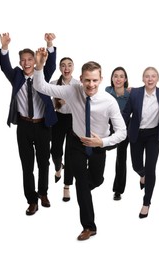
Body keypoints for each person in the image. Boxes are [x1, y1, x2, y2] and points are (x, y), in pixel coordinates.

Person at [33, 47, 127, 241]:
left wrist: (102, 141)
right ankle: (89, 226)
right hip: (76, 143)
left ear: (100, 80)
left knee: (97, 180)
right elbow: (41, 86)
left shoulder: (109, 102)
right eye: (86, 80)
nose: (90, 84)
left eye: (94, 80)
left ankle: (85, 189)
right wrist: (40, 65)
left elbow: (122, 132)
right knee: (81, 185)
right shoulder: (72, 90)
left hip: (98, 145)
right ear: (81, 79)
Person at [0, 33, 57, 216]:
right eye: (23, 60)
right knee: (27, 165)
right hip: (23, 126)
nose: (27, 63)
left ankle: (43, 193)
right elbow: (4, 65)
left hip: (43, 126)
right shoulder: (16, 75)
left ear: (34, 60)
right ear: (20, 62)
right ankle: (31, 200)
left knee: (44, 163)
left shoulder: (42, 74)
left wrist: (49, 44)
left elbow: (52, 64)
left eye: (30, 59)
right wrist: (4, 47)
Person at [122, 67, 159, 218]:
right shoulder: (135, 93)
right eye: (147, 76)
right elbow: (125, 113)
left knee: (151, 169)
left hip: (153, 135)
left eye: (153, 76)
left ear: (157, 79)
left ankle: (146, 202)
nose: (150, 79)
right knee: (136, 165)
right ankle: (142, 175)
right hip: (136, 133)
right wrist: (118, 129)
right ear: (143, 79)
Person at [50, 57, 80, 202]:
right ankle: (58, 167)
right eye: (63, 65)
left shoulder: (78, 85)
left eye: (69, 65)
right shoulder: (54, 84)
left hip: (74, 120)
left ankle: (67, 186)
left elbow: (83, 102)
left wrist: (67, 100)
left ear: (73, 67)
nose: (66, 68)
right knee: (55, 150)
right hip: (58, 119)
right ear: (60, 68)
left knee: (70, 153)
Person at [105, 67, 130, 201]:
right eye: (116, 76)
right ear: (112, 78)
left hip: (124, 127)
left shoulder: (130, 94)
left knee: (121, 157)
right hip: (108, 126)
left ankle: (118, 190)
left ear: (125, 79)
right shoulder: (107, 91)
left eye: (121, 76)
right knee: (99, 147)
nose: (118, 79)